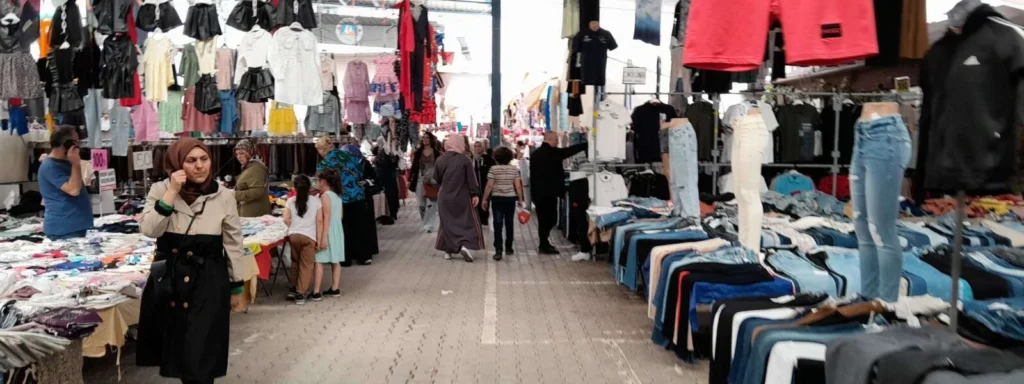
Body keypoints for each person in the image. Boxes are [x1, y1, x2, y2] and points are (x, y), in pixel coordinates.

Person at [137, 138, 256, 384]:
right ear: (177, 164)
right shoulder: (161, 189)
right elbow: (149, 229)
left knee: (202, 354)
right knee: (179, 352)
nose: (200, 166)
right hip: (172, 281)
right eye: (191, 161)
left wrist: (236, 285)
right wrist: (171, 193)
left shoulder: (223, 195)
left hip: (208, 281)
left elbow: (233, 241)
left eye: (204, 159)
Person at [530, 131, 587, 254]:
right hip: (549, 193)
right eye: (556, 139)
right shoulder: (553, 153)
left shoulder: (535, 154)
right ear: (549, 139)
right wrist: (586, 145)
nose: (557, 142)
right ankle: (544, 244)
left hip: (538, 193)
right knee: (551, 218)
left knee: (543, 219)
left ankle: (543, 243)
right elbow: (569, 151)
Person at [433, 134, 484, 262]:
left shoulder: (440, 160)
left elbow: (436, 178)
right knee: (466, 222)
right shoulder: (464, 160)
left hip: (444, 197)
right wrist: (475, 194)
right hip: (462, 196)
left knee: (446, 223)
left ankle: (448, 251)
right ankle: (463, 246)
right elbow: (472, 180)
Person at [38, 126, 93, 240]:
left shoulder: (64, 162)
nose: (78, 145)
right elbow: (73, 190)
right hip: (64, 229)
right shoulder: (51, 166)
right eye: (76, 141)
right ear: (67, 144)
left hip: (73, 226)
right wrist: (76, 163)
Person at [283, 174, 322, 305]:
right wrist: (320, 238)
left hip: (294, 235)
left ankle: (292, 289)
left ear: (295, 187)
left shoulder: (290, 201)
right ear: (310, 187)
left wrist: (293, 227)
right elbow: (320, 221)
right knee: (306, 265)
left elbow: (285, 219)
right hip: (309, 236)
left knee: (295, 262)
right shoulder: (316, 201)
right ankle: (300, 293)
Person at [481, 147, 524, 261]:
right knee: (509, 223)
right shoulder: (514, 170)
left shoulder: (493, 169)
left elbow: (489, 185)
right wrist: (520, 199)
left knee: (498, 223)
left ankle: (498, 250)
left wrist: (484, 198)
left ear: (496, 157)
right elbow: (518, 186)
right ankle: (509, 247)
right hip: (510, 199)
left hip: (497, 199)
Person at [340, 144, 380, 265]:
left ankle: (359, 256)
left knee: (358, 227)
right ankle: (350, 257)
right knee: (349, 228)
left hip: (359, 199)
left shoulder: (362, 163)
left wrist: (366, 183)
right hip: (347, 200)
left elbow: (376, 179)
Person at [312, 169, 345, 299]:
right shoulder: (337, 195)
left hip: (328, 229)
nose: (317, 183)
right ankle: (335, 287)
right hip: (338, 229)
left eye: (318, 181)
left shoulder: (325, 196)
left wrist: (322, 238)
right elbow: (340, 215)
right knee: (335, 260)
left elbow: (326, 217)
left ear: (324, 182)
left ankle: (316, 291)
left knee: (319, 260)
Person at [409, 132, 442, 232]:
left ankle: (429, 225)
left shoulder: (436, 152)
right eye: (423, 137)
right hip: (420, 179)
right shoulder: (418, 152)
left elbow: (439, 167)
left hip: (433, 180)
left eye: (427, 137)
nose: (425, 139)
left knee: (431, 204)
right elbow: (414, 166)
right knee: (421, 205)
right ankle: (425, 221)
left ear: (430, 139)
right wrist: (409, 179)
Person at [232, 139, 271, 217]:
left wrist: (233, 195)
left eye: (242, 153)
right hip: (248, 211)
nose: (239, 157)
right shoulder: (248, 166)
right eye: (237, 154)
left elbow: (257, 191)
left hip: (254, 213)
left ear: (249, 152)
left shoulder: (256, 168)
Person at [471, 140, 495, 226]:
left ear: (482, 147)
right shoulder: (470, 159)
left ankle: (484, 218)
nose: (477, 148)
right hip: (474, 185)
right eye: (475, 146)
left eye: (479, 146)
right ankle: (476, 219)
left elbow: (492, 171)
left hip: (485, 185)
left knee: (485, 201)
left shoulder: (488, 159)